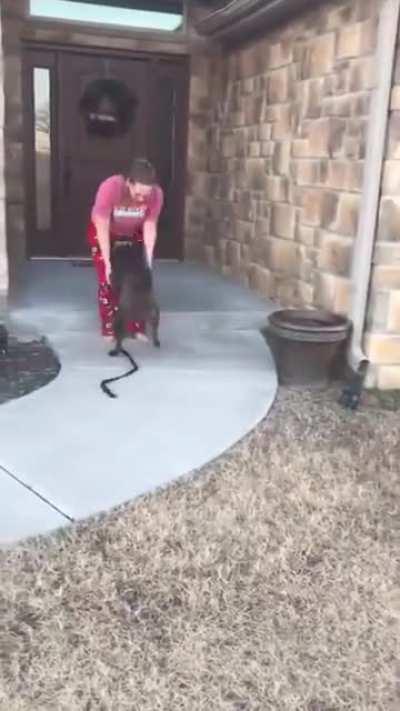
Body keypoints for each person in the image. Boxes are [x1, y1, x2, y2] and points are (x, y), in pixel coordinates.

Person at [88, 158, 164, 339]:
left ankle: (136, 327)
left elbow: (150, 227)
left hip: (133, 232)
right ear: (129, 182)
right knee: (109, 277)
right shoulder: (111, 188)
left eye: (145, 195)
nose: (141, 199)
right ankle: (110, 327)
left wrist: (148, 262)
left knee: (138, 278)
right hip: (106, 231)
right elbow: (102, 225)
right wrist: (107, 262)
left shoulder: (156, 195)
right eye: (138, 194)